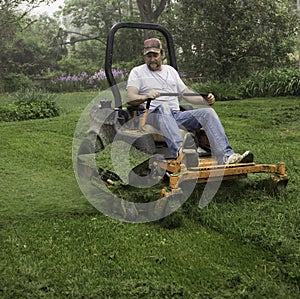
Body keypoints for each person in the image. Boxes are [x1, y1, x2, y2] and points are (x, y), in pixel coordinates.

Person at [126, 37, 253, 165]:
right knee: (163, 106)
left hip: (175, 116)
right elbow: (130, 98)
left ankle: (227, 156)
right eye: (149, 56)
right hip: (152, 115)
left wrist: (205, 100)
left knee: (207, 113)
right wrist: (146, 96)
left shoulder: (171, 71)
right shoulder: (137, 72)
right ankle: (181, 155)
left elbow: (186, 94)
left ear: (162, 54)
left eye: (155, 55)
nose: (152, 59)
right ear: (144, 56)